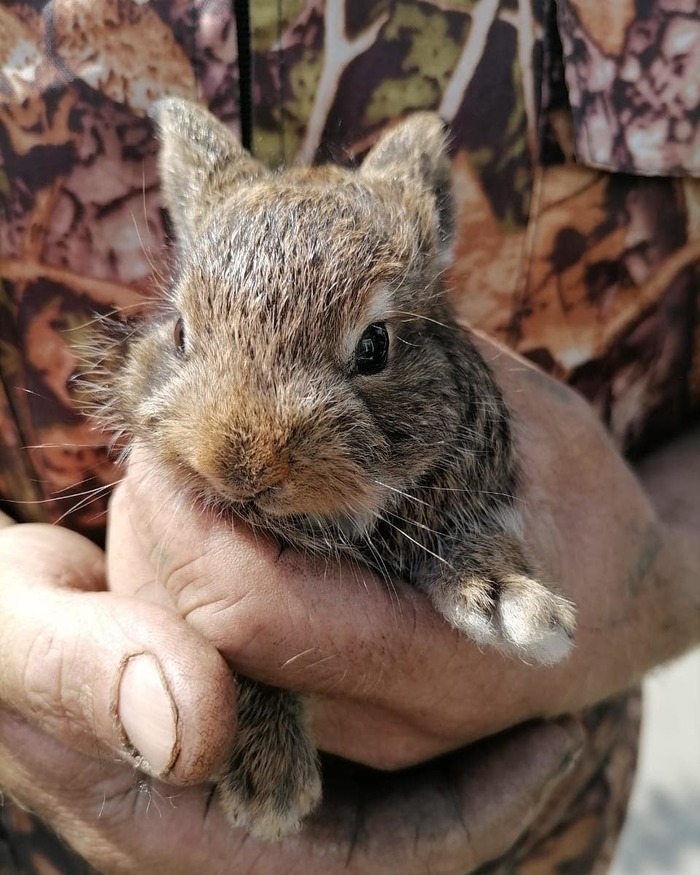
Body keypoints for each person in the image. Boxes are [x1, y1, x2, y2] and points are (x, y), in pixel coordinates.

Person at [0, 1, 698, 872]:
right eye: (186, 339)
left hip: (545, 825)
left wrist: (657, 568)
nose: (244, 458)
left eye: (367, 350)